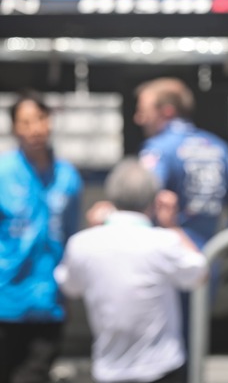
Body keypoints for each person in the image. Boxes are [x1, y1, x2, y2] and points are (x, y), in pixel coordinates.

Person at [55, 158, 208, 383]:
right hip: (162, 367)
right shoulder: (164, 242)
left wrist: (93, 230)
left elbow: (69, 286)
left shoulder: (82, 243)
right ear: (153, 199)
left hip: (109, 369)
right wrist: (173, 225)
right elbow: (199, 273)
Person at [0, 90, 82, 383]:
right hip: (6, 300)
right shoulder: (4, 173)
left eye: (40, 119)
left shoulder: (67, 177)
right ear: (14, 128)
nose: (35, 129)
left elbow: (71, 237)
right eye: (25, 122)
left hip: (49, 302)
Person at [132, 77, 228, 248]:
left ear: (167, 111)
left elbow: (140, 197)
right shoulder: (218, 147)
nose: (138, 119)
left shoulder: (158, 148)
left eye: (143, 111)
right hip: (211, 254)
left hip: (168, 254)